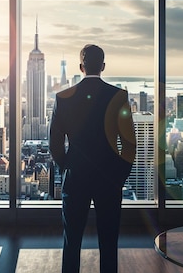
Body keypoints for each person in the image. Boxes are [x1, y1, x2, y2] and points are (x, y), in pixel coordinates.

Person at [49, 44, 136, 273]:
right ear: (103, 66)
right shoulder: (119, 97)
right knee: (109, 241)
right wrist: (119, 176)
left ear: (81, 67)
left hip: (76, 177)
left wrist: (67, 167)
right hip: (109, 179)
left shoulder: (63, 98)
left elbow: (55, 144)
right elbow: (129, 144)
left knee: (72, 241)